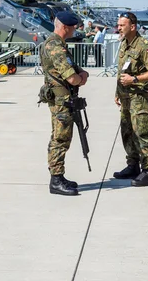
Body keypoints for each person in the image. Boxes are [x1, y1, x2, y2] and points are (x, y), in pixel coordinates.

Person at [40, 11, 90, 196]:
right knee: (60, 139)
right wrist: (82, 78)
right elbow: (72, 78)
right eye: (73, 28)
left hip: (63, 100)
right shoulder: (56, 47)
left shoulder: (57, 44)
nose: (74, 31)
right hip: (62, 101)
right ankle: (56, 179)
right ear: (65, 27)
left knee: (61, 138)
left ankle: (59, 176)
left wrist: (80, 74)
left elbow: (73, 68)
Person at [113, 12, 148, 186]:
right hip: (125, 97)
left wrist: (135, 80)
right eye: (118, 25)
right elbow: (121, 70)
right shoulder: (124, 44)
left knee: (141, 133)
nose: (118, 28)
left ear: (132, 26)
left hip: (138, 97)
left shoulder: (144, 46)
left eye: (121, 25)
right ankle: (132, 165)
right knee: (127, 132)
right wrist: (118, 91)